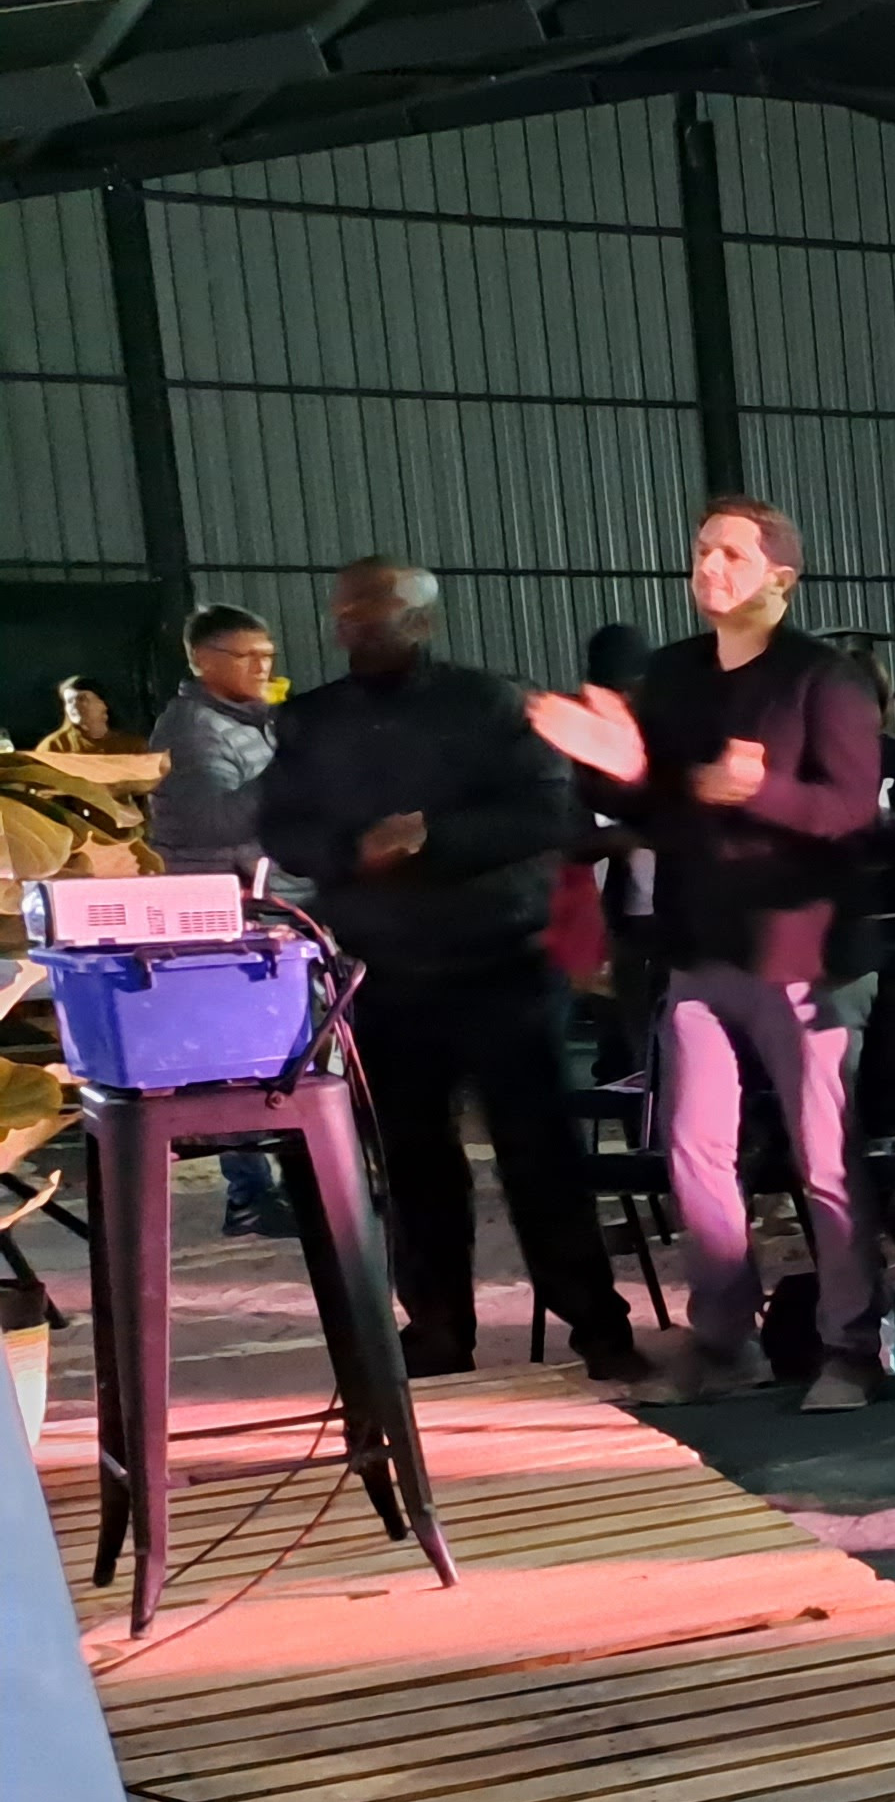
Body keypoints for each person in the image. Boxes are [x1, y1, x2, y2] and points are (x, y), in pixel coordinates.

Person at [528, 498, 892, 1413]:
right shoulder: (674, 674)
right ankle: (726, 1341)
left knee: (823, 1159)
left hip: (803, 955)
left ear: (781, 577)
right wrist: (611, 765)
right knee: (693, 1151)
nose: (710, 567)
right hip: (697, 947)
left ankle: (852, 1348)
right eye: (701, 551)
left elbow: (852, 812)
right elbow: (654, 803)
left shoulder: (822, 680)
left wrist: (757, 790)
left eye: (732, 553)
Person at [255, 559, 642, 1383]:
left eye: (375, 612)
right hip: (385, 970)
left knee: (539, 1154)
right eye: (345, 613)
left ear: (422, 621)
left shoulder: (493, 703)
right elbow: (281, 827)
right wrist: (351, 850)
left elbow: (548, 811)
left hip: (503, 961)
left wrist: (433, 837)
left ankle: (596, 1324)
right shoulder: (313, 720)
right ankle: (436, 1327)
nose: (355, 626)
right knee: (410, 1161)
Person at [146, 604, 290, 1239]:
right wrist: (292, 772)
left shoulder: (247, 721)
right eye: (245, 656)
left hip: (260, 908)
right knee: (239, 1057)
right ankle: (251, 1193)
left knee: (279, 1056)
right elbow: (215, 823)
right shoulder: (194, 731)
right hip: (220, 918)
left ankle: (286, 1184)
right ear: (201, 660)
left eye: (267, 655)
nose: (262, 667)